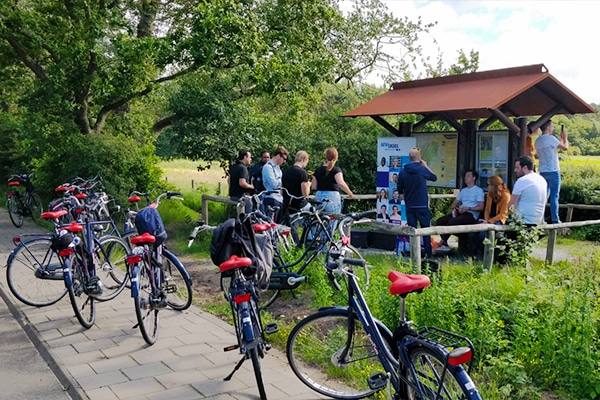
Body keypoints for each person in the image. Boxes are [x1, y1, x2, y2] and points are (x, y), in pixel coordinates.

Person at [397, 148, 438, 257]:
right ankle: (428, 255)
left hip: (410, 205)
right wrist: (426, 165)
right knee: (426, 231)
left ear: (409, 158)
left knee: (412, 231)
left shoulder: (402, 172)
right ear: (419, 158)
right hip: (422, 205)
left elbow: (400, 190)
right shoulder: (422, 169)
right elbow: (434, 177)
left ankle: (415, 254)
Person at [435, 169, 484, 250]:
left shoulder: (478, 190)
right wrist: (455, 209)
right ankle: (445, 243)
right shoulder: (464, 190)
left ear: (474, 178)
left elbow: (481, 207)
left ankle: (442, 241)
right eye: (465, 176)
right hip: (461, 212)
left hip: (471, 214)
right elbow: (454, 203)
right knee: (440, 221)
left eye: (468, 176)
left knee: (452, 222)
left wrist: (468, 208)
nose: (466, 178)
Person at [535, 120, 568, 223]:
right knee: (554, 196)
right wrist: (565, 138)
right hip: (553, 170)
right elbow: (565, 148)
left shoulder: (538, 141)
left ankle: (541, 218)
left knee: (544, 196)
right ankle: (555, 219)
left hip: (543, 171)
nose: (553, 128)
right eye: (552, 126)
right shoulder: (551, 139)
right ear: (548, 127)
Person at [474, 175, 511, 255]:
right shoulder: (489, 194)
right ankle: (478, 253)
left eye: (488, 184)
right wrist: (486, 219)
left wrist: (490, 221)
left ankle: (487, 254)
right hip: (488, 220)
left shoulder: (506, 195)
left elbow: (503, 214)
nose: (487, 186)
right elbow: (487, 209)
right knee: (472, 232)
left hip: (498, 220)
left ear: (493, 185)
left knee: (482, 235)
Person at [311, 147, 354, 214]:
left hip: (319, 196)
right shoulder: (336, 170)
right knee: (333, 219)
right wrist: (350, 193)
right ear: (336, 158)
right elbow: (341, 183)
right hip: (332, 197)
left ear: (326, 157)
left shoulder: (318, 169)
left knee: (319, 219)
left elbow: (313, 186)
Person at [509, 156, 547, 226]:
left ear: (525, 168)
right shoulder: (542, 180)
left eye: (517, 168)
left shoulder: (522, 180)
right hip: (538, 222)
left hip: (522, 222)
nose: (515, 170)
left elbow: (512, 205)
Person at [262, 146, 289, 222]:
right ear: (278, 156)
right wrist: (283, 181)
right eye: (284, 159)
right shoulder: (268, 167)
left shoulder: (278, 168)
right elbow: (273, 184)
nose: (284, 161)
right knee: (271, 223)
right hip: (271, 198)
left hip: (279, 198)